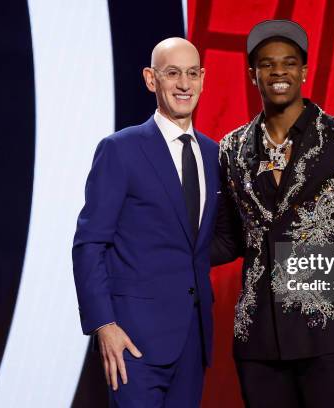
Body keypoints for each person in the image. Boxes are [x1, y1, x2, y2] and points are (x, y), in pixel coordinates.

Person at [212, 20, 334, 407]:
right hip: (259, 338)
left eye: (288, 63)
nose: (278, 71)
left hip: (329, 331)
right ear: (254, 75)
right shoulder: (230, 148)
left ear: (304, 71)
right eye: (267, 64)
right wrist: (162, 251)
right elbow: (230, 238)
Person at [72, 37, 219, 407]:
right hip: (132, 341)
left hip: (192, 340)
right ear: (151, 79)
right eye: (172, 74)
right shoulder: (120, 149)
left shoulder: (215, 154)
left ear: (202, 78)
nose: (184, 84)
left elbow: (203, 242)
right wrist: (104, 325)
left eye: (191, 73)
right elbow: (89, 243)